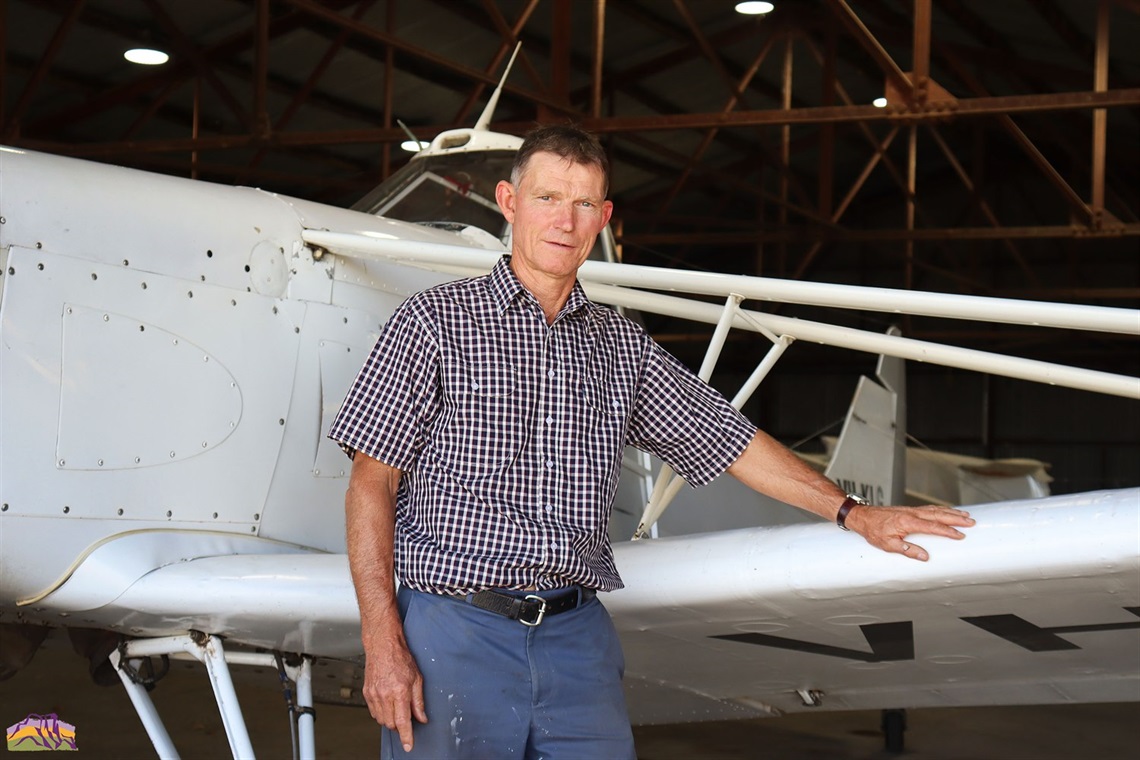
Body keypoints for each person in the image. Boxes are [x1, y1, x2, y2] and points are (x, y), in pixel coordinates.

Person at [329, 124, 975, 759]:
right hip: (454, 627)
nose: (565, 220)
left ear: (603, 218)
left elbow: (732, 439)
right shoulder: (431, 322)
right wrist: (383, 640)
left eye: (584, 204)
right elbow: (371, 483)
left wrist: (853, 512)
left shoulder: (621, 348)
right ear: (509, 202)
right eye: (548, 198)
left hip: (575, 637)